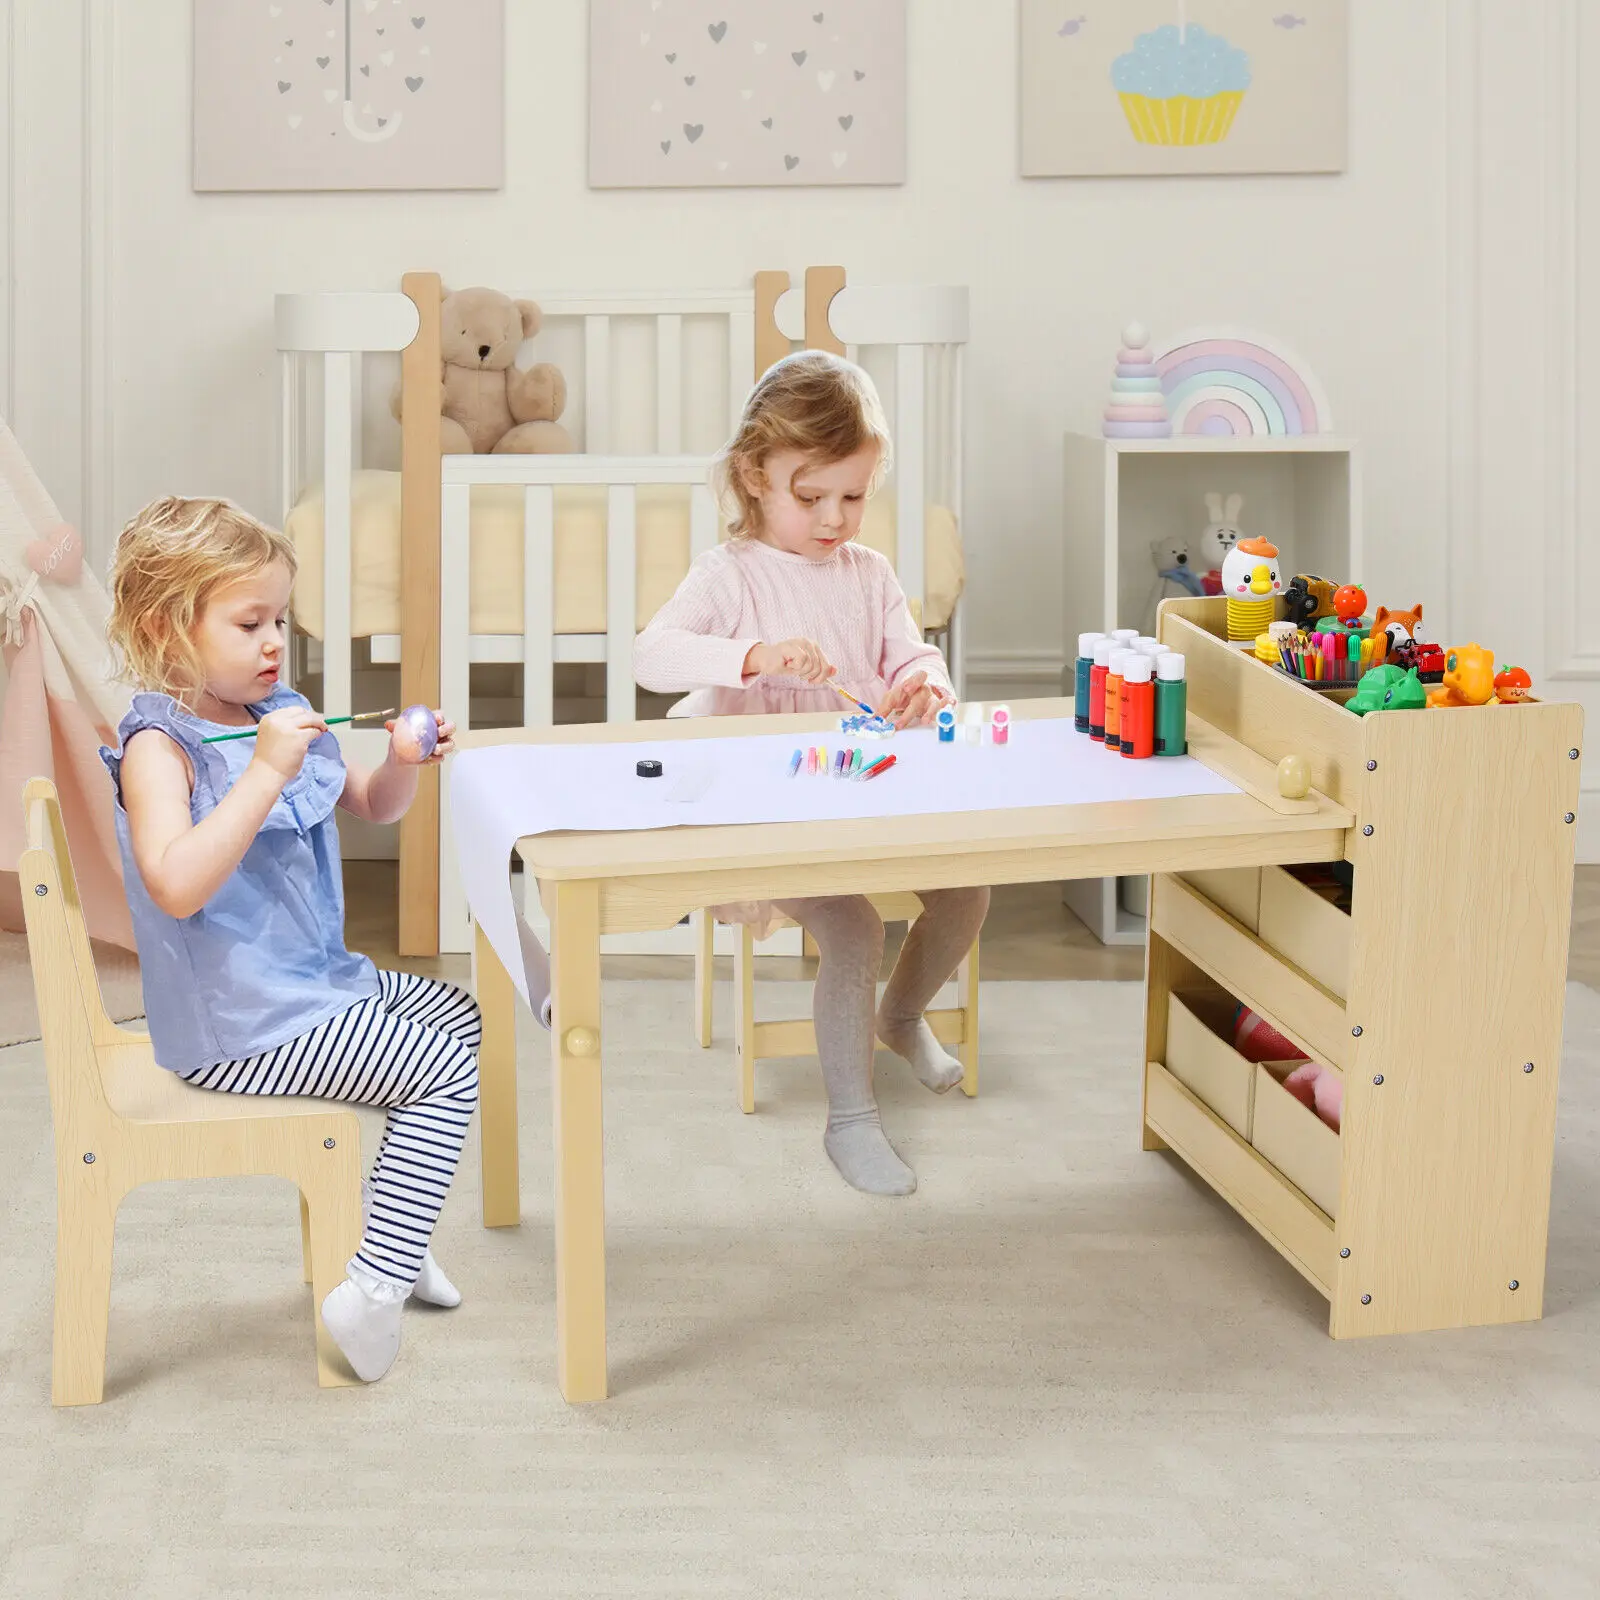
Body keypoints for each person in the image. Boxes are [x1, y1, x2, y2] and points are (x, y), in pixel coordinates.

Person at [101, 495, 473, 1383]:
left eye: (279, 619)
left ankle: (397, 1216)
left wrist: (404, 767)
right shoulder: (165, 747)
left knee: (454, 1017)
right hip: (240, 1023)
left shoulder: (279, 710)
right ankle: (373, 1289)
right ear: (166, 629)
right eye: (248, 622)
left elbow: (372, 806)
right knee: (443, 1072)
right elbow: (176, 881)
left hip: (312, 986)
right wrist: (264, 770)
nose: (275, 642)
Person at [635, 352, 990, 1196]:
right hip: (772, 809)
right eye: (811, 495)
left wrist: (923, 684)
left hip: (867, 791)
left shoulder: (870, 575)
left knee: (969, 890)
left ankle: (898, 1020)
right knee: (855, 928)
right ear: (755, 476)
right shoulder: (732, 574)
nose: (836, 519)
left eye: (855, 496)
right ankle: (852, 1121)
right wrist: (752, 656)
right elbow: (653, 654)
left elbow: (913, 655)